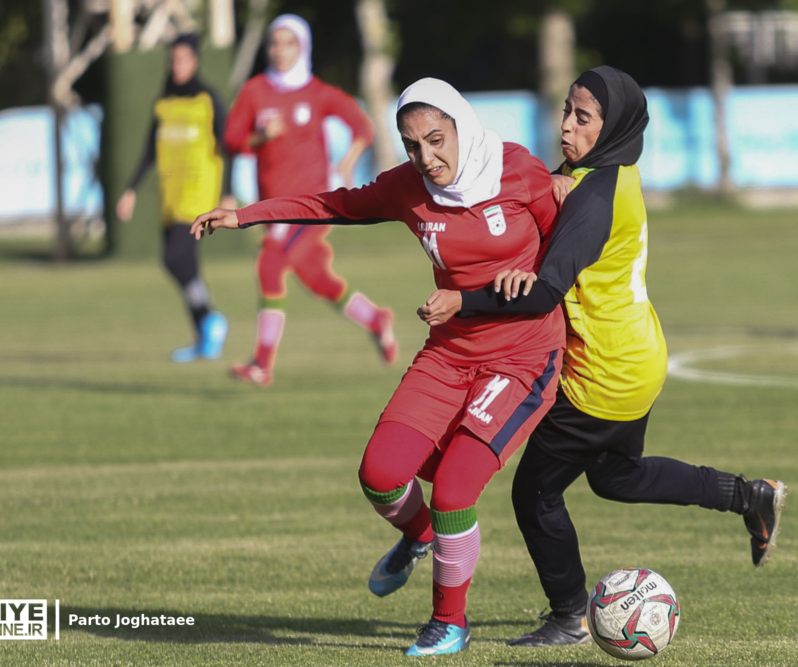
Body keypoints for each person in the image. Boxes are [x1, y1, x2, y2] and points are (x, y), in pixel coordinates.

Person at [191, 78, 566, 656]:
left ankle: (450, 623)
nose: (427, 158)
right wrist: (245, 216)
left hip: (521, 358)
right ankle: (418, 539)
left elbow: (566, 246)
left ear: (462, 126)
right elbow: (331, 204)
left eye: (437, 140)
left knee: (453, 488)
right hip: (449, 352)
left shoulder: (518, 171)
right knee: (380, 474)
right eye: (412, 145)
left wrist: (538, 282)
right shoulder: (406, 188)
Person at [419, 66, 788, 647]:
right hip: (637, 355)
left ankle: (569, 618)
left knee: (534, 493)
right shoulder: (607, 173)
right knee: (618, 476)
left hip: (604, 374)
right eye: (566, 110)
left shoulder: (592, 197)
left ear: (610, 125)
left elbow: (541, 292)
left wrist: (461, 300)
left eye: (582, 118)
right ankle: (749, 495)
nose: (566, 125)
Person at [222, 14, 396, 386]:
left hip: (313, 204)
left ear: (303, 48)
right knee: (317, 279)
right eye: (275, 43)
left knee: (270, 265)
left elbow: (362, 125)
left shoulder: (316, 92)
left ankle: (262, 364)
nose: (280, 51)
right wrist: (260, 136)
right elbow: (233, 140)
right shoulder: (255, 91)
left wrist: (346, 163)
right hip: (273, 207)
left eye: (289, 44)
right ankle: (375, 319)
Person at [116, 33, 231, 363]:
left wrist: (228, 191)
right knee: (186, 266)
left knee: (173, 259)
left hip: (198, 196)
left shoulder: (207, 99)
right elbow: (149, 149)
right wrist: (130, 189)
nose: (176, 65)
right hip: (171, 194)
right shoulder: (164, 101)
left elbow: (228, 145)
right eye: (173, 59)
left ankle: (211, 320)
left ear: (195, 61)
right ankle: (205, 334)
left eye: (182, 59)